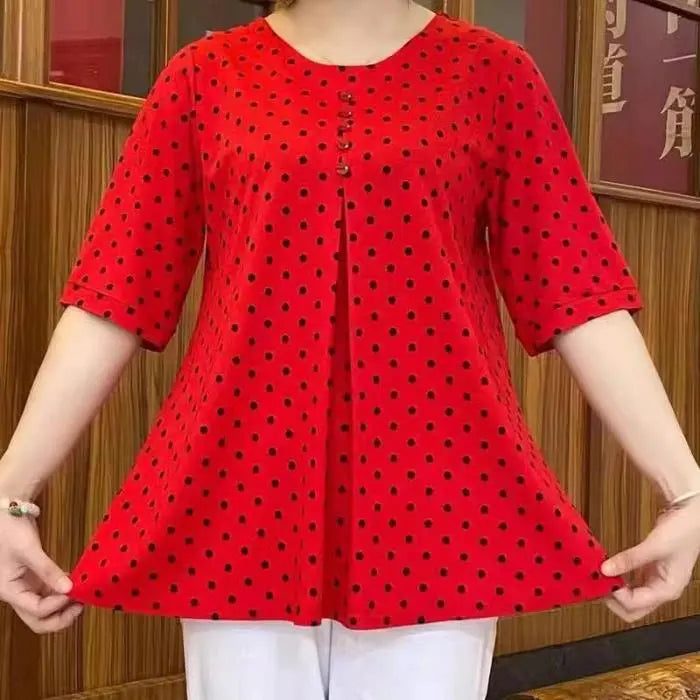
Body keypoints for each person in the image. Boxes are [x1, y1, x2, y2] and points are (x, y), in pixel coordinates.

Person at [1, 0, 699, 698]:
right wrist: (9, 494)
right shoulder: (203, 77)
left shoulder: (495, 75)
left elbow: (577, 289)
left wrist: (687, 492)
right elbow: (116, 291)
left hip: (439, 490)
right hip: (242, 485)